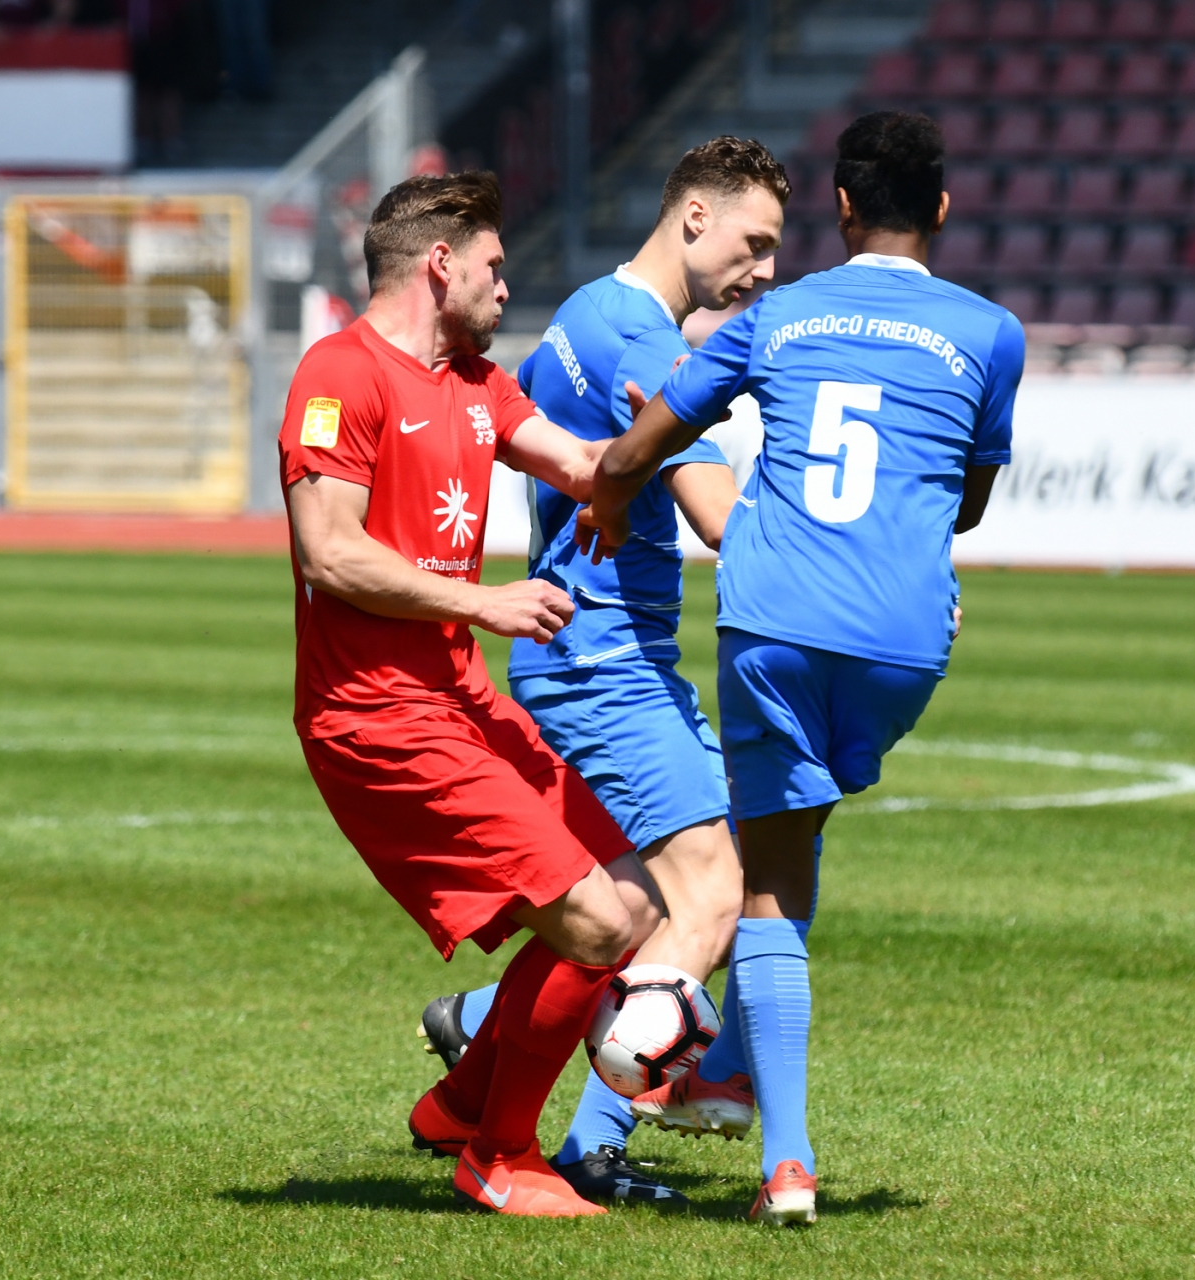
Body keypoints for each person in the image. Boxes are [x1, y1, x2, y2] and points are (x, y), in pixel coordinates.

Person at [579, 110, 1020, 1226]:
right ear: (944, 210)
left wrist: (611, 486)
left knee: (758, 881)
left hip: (777, 621)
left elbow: (657, 433)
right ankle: (698, 1080)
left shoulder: (777, 314)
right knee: (790, 849)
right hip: (906, 641)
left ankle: (781, 1160)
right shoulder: (990, 332)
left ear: (838, 206)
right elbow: (963, 497)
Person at [278, 171, 667, 1218]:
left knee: (629, 894)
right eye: (496, 266)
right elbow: (328, 553)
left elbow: (582, 464)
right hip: (377, 717)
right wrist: (482, 601)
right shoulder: (338, 374)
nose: (509, 286)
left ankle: (460, 1101)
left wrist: (652, 440)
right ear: (440, 263)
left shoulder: (477, 381)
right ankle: (501, 1153)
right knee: (591, 920)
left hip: (459, 702)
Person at [412, 136, 790, 1210]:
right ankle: (587, 1142)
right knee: (712, 893)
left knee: (624, 909)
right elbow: (725, 524)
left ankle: (480, 1040)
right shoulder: (645, 349)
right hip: (604, 664)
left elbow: (521, 435)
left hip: (587, 654)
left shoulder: (583, 311)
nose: (764, 271)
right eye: (754, 244)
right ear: (694, 220)